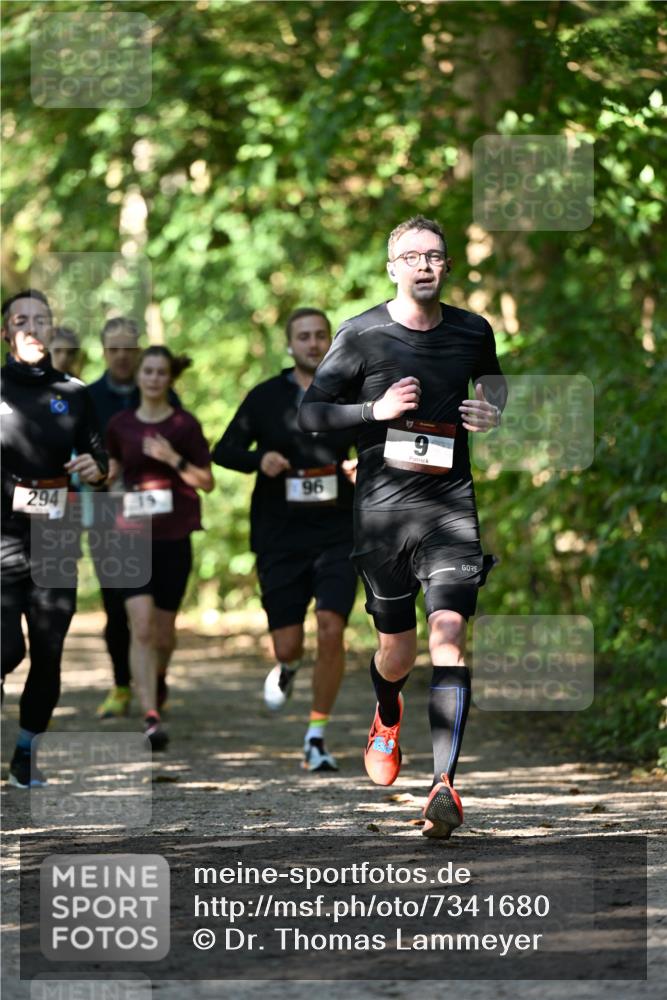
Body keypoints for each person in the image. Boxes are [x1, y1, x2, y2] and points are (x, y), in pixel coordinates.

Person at [299, 217, 507, 835]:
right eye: (412, 256)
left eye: (434, 256)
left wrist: (491, 411)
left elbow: (493, 383)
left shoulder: (472, 329)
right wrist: (376, 409)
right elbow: (311, 413)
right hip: (384, 514)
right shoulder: (360, 333)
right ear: (392, 267)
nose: (424, 265)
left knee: (450, 635)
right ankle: (387, 712)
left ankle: (443, 785)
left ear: (446, 267)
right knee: (398, 652)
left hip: (450, 506)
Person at [212, 308, 358, 772]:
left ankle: (316, 735)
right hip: (280, 535)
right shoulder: (265, 397)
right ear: (289, 345)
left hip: (338, 531)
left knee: (331, 626)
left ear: (330, 341)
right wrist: (260, 460)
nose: (313, 343)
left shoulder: (350, 392)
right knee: (288, 644)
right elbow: (224, 450)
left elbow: (378, 444)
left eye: (320, 335)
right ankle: (288, 666)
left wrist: (362, 466)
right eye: (304, 336)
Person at [1, 289, 108, 788]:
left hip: (55, 539)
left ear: (50, 328)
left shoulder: (75, 392)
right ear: (6, 332)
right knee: (7, 650)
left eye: (39, 319)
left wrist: (96, 468)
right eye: (20, 320)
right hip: (2, 538)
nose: (30, 327)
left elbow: (100, 460)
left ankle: (26, 752)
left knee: (48, 651)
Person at [106, 346, 213, 750]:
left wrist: (172, 459)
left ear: (170, 378)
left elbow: (206, 481)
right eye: (147, 371)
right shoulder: (120, 425)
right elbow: (110, 474)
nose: (153, 378)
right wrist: (108, 482)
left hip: (174, 536)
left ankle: (158, 677)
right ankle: (150, 715)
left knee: (164, 635)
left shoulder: (185, 425)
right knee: (142, 627)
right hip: (129, 537)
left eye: (160, 372)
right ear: (138, 376)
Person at [88, 318, 179, 720]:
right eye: (114, 349)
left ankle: (154, 681)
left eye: (129, 348)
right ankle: (121, 686)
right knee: (115, 606)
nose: (122, 356)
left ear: (139, 351)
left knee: (156, 612)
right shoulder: (89, 397)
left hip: (159, 520)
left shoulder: (165, 392)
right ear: (104, 351)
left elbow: (182, 445)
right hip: (107, 515)